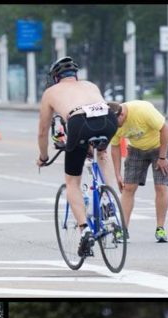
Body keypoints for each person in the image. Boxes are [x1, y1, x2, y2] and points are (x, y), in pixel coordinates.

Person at [36, 56, 120, 258]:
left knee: (72, 181)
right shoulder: (90, 85)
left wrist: (44, 156)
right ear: (75, 75)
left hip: (78, 122)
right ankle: (108, 197)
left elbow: (43, 130)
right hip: (108, 120)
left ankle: (85, 230)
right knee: (103, 153)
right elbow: (95, 113)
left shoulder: (50, 92)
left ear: (56, 77)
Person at [108, 100, 168, 243]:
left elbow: (165, 129)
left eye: (116, 122)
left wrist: (162, 157)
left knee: (160, 186)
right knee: (128, 188)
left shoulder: (142, 110)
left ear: (122, 114)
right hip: (136, 149)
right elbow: (115, 146)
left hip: (160, 145)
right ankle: (123, 230)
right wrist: (118, 174)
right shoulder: (112, 122)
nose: (114, 126)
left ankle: (160, 228)